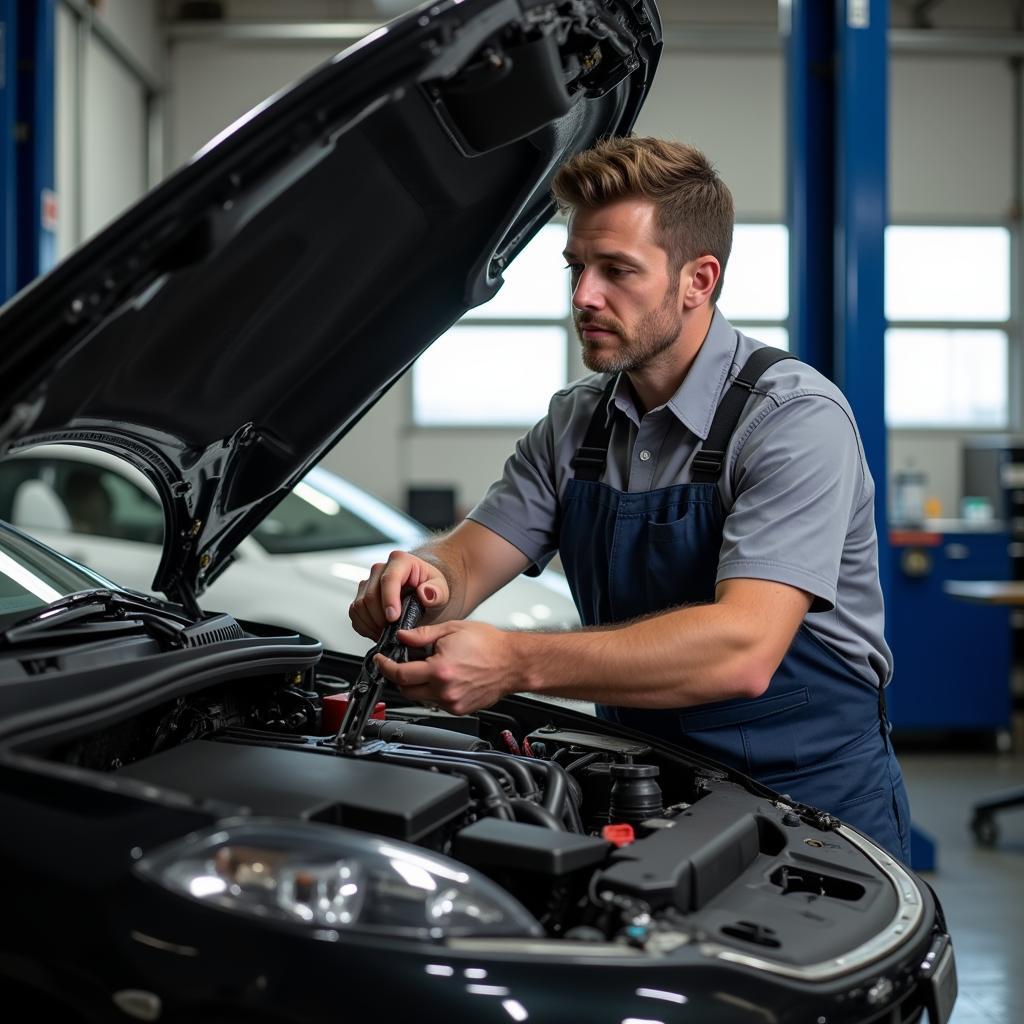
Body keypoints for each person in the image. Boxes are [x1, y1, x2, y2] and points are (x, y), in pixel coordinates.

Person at [349, 136, 911, 862]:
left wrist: (516, 661)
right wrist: (423, 578)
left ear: (697, 280)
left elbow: (743, 650)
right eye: (576, 267)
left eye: (617, 270)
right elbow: (466, 560)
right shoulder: (575, 422)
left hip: (809, 810)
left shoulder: (794, 419)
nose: (584, 296)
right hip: (645, 790)